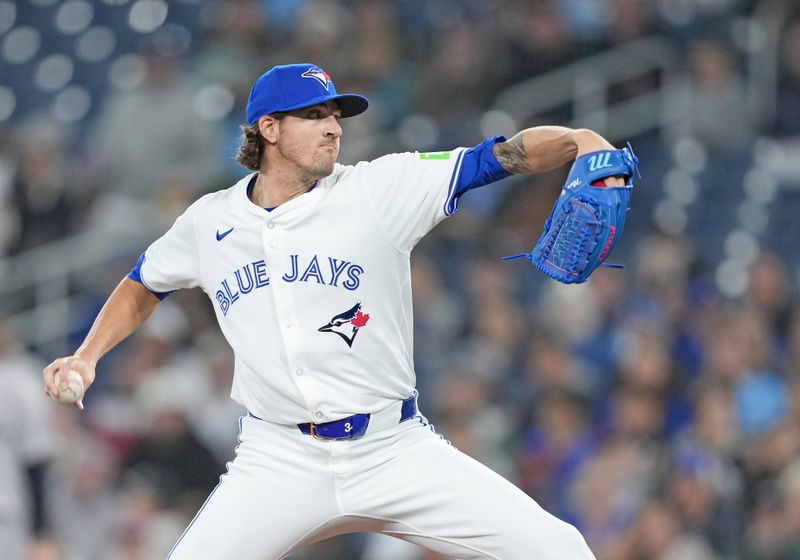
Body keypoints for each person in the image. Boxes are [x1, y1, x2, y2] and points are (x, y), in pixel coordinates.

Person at [44, 63, 626, 559]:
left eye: (335, 116)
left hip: (391, 448)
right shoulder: (209, 221)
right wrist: (89, 354)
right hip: (278, 459)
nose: (333, 128)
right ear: (268, 129)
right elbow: (144, 281)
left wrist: (577, 139)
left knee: (560, 549)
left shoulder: (378, 189)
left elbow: (495, 157)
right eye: (314, 115)